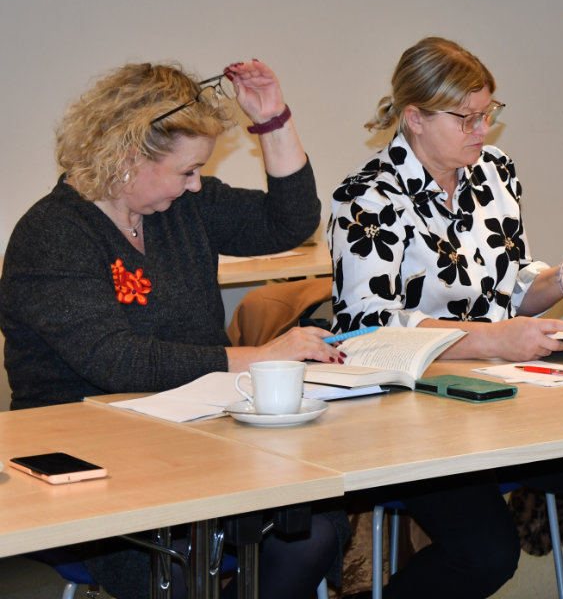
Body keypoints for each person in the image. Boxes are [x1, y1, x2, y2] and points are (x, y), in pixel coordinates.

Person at [0, 60, 345, 599]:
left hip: (194, 441)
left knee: (312, 534)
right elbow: (120, 362)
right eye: (187, 170)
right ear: (128, 158)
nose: (197, 183)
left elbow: (290, 222)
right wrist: (257, 356)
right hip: (86, 461)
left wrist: (273, 121)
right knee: (176, 578)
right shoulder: (52, 234)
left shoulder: (183, 207)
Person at [328, 36, 563, 599]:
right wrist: (493, 340)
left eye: (488, 114)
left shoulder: (494, 172)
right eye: (467, 118)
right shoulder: (367, 198)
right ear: (415, 118)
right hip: (407, 418)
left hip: (502, 398)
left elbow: (508, 289)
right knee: (487, 554)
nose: (483, 130)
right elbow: (369, 328)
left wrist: (562, 280)